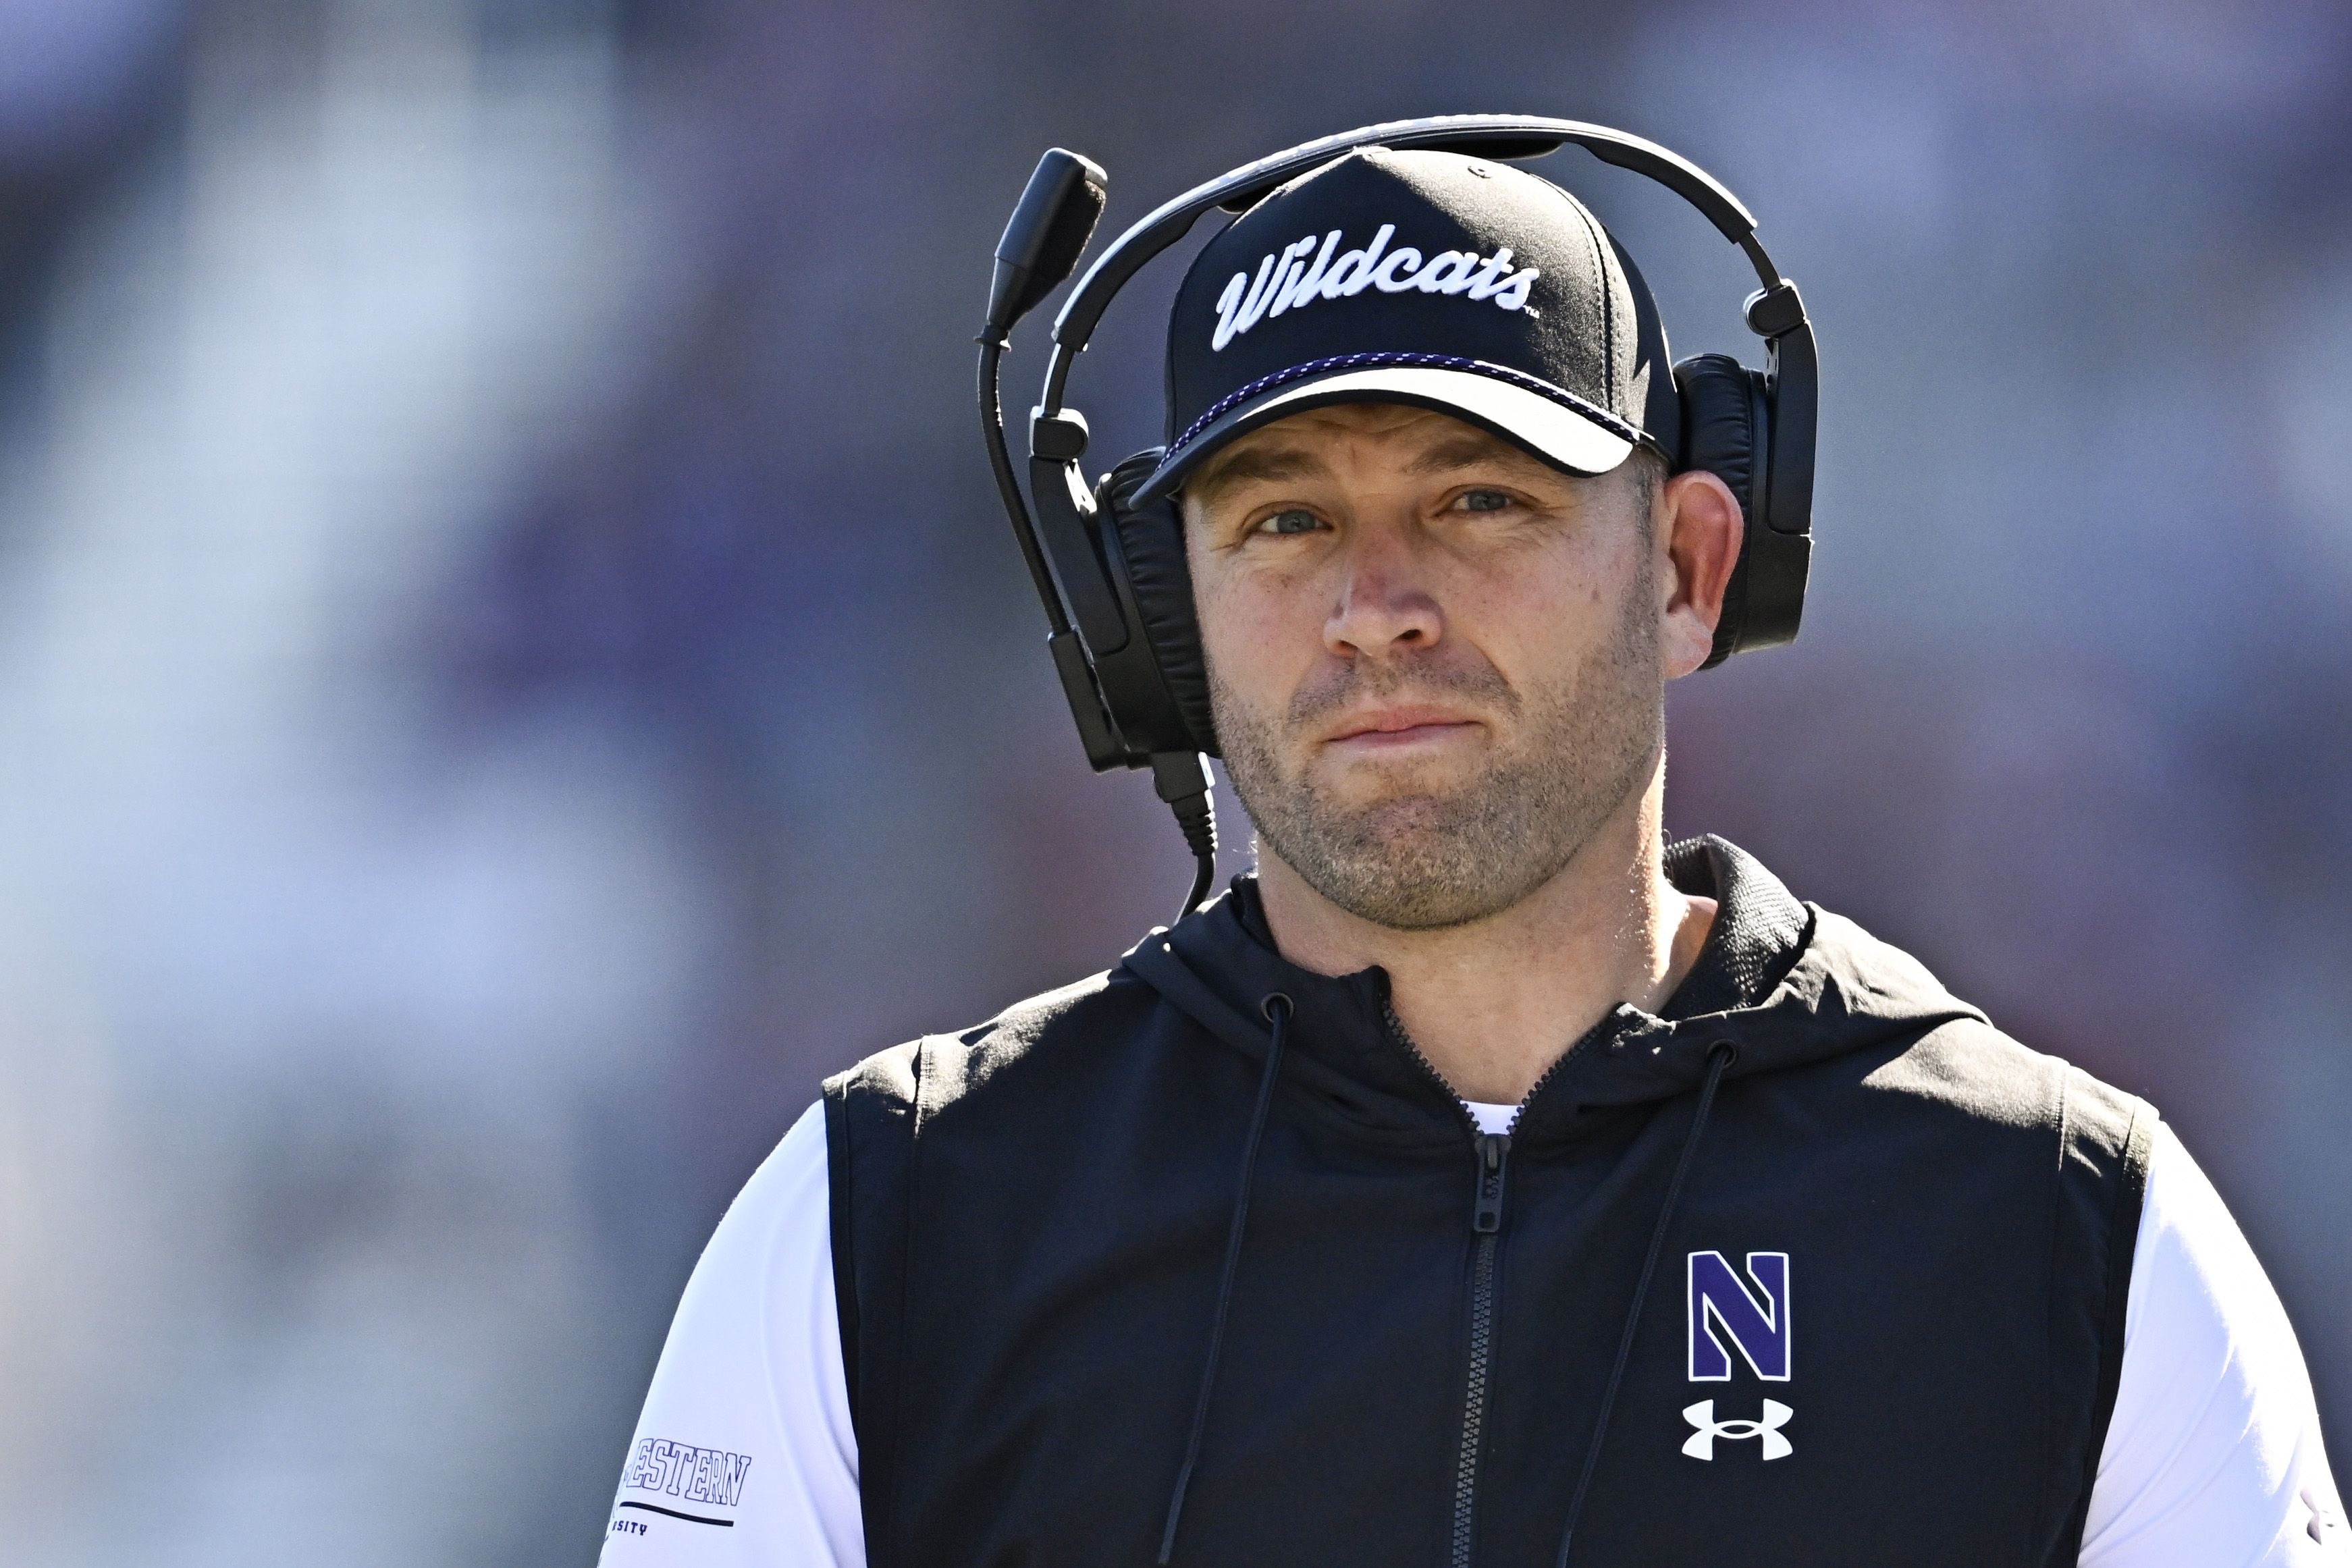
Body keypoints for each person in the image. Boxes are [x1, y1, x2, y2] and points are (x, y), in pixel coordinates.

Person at [596, 135, 2344, 1567]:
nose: (1376, 610)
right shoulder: (884, 1221)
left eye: (1475, 499)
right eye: (1284, 519)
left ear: (1684, 565)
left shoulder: (2060, 1229)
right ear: (1160, 622)